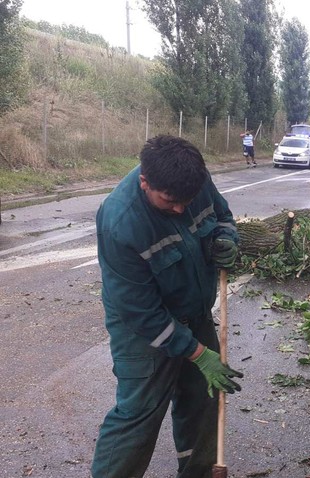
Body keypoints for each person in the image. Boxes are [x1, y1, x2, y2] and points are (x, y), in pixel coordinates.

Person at [91, 135, 244, 478]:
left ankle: (199, 472)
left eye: (186, 201)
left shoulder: (195, 179)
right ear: (145, 182)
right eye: (170, 201)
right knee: (138, 414)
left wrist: (226, 239)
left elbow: (223, 215)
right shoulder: (120, 222)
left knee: (203, 400)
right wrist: (197, 352)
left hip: (195, 310)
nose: (179, 209)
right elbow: (139, 310)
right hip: (144, 331)